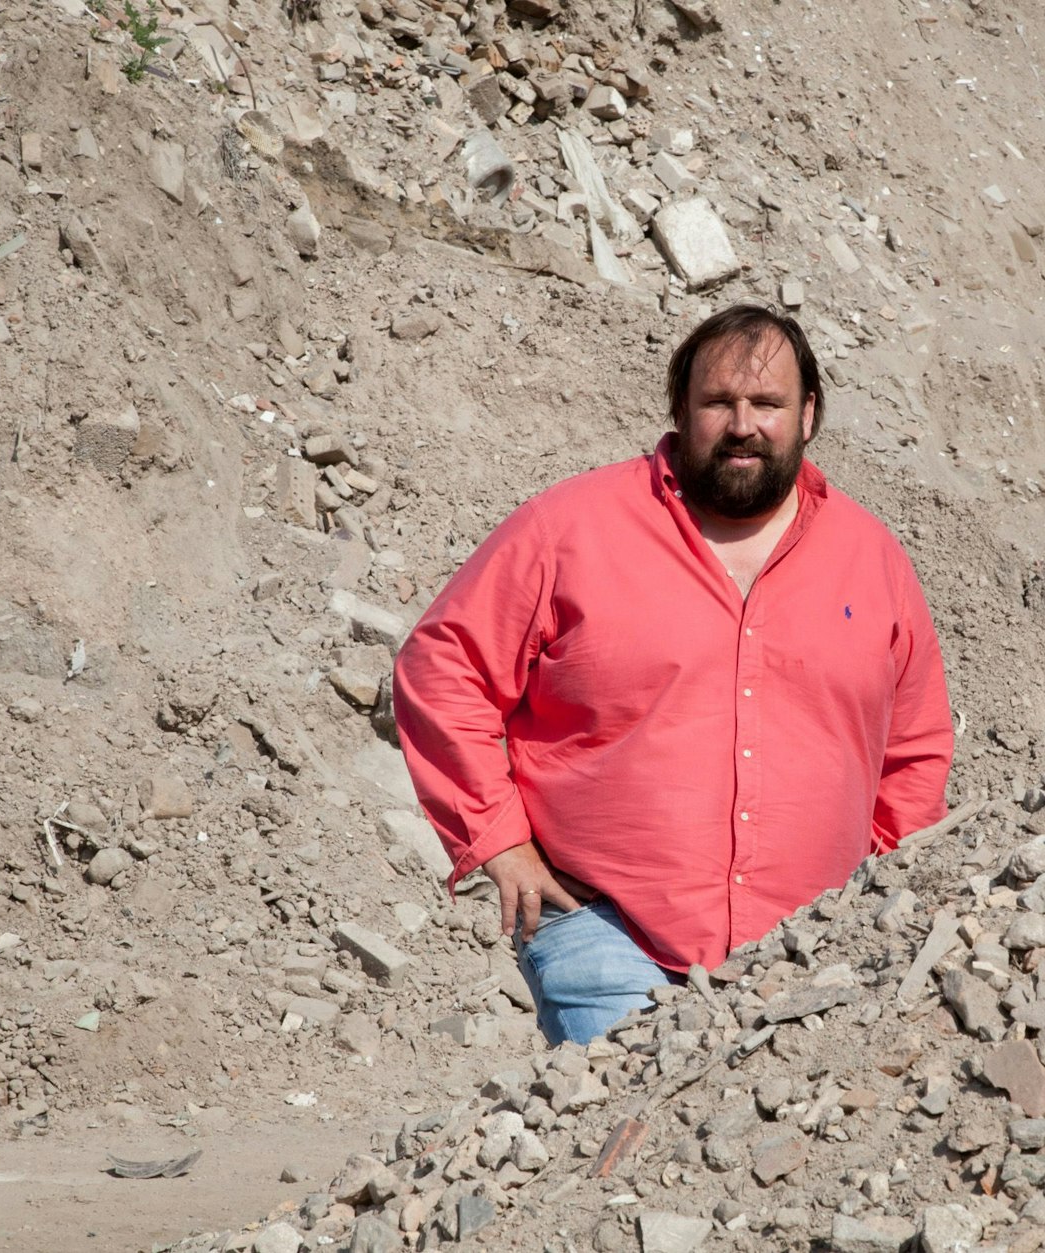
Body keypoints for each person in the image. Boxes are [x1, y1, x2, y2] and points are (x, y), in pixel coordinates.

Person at [392, 304, 954, 1046]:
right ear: (680, 412)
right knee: (626, 1117)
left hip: (812, 954)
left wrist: (881, 897)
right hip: (603, 932)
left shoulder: (872, 558)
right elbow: (444, 667)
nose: (744, 425)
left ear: (809, 414)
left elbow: (913, 750)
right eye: (719, 402)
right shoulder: (570, 529)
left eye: (768, 403)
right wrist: (498, 841)